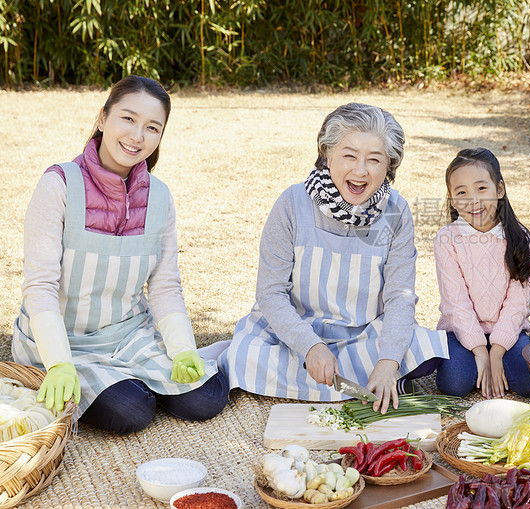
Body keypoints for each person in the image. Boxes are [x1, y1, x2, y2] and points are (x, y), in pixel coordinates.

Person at [12, 76, 228, 434]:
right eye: (128, 118)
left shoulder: (159, 197)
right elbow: (40, 287)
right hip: (65, 341)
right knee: (131, 411)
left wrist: (184, 349)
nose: (137, 136)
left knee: (206, 397)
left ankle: (151, 373)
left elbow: (165, 286)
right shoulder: (59, 185)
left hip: (129, 335)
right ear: (102, 118)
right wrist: (59, 364)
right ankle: (127, 384)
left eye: (152, 127)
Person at [218, 102, 448, 414]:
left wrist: (387, 362)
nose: (360, 170)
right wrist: (310, 346)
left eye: (374, 159)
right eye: (349, 155)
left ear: (389, 165)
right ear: (328, 154)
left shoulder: (396, 211)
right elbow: (270, 292)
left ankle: (376, 375)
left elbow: (400, 297)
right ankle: (341, 374)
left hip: (363, 333)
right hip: (295, 333)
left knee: (418, 348)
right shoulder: (292, 203)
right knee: (243, 357)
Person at [434, 148, 530, 398]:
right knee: (453, 383)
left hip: (508, 332)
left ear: (499, 190)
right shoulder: (447, 239)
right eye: (461, 192)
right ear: (452, 200)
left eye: (481, 188)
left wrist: (498, 350)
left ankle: (497, 365)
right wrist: (480, 350)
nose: (473, 200)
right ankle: (479, 366)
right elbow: (456, 303)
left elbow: (518, 303)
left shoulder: (519, 238)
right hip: (460, 332)